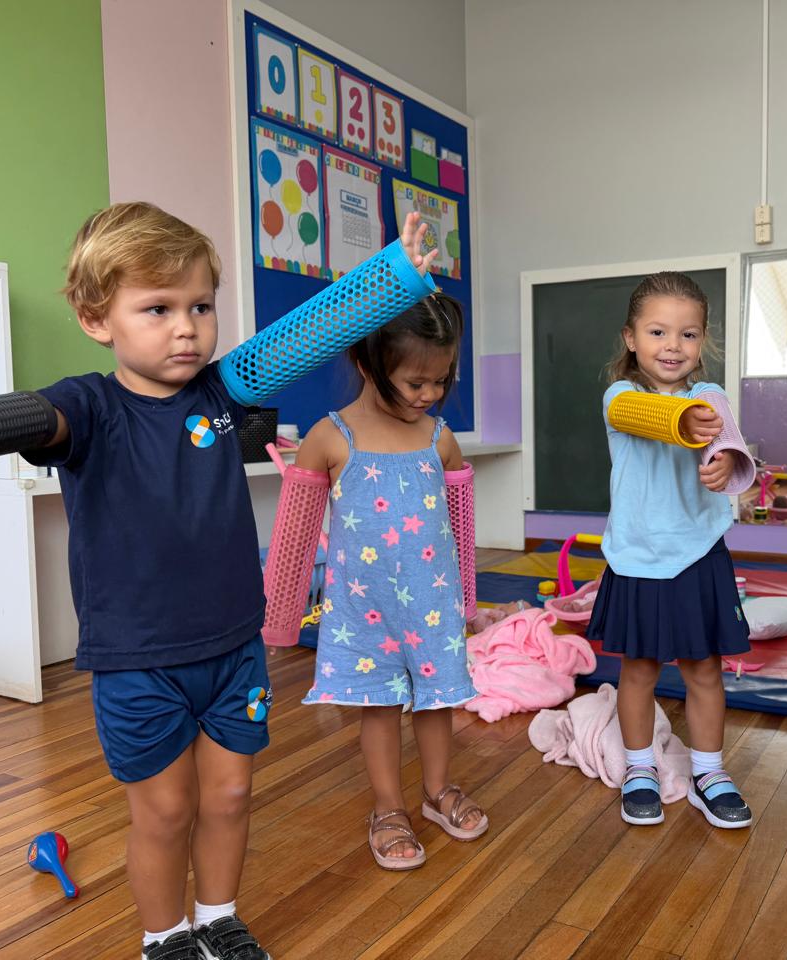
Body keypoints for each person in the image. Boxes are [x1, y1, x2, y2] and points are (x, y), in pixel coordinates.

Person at [25, 202, 436, 958]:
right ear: (95, 319)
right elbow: (41, 420)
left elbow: (311, 332)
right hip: (139, 660)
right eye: (158, 308)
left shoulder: (221, 396)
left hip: (233, 648)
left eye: (201, 306)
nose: (186, 327)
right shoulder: (89, 406)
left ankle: (217, 918)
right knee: (164, 812)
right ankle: (165, 937)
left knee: (232, 795)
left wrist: (396, 274)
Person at [294, 292, 487, 870]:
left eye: (440, 381)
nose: (428, 394)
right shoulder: (330, 437)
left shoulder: (438, 438)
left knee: (437, 701)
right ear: (367, 362)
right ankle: (387, 808)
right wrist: (280, 615)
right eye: (414, 382)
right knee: (377, 707)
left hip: (431, 603)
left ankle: (437, 790)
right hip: (363, 609)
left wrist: (467, 599)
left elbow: (461, 522)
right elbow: (296, 531)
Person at [587, 271, 756, 830]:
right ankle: (639, 767)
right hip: (636, 557)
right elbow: (646, 419)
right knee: (637, 670)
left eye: (688, 334)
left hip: (699, 554)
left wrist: (726, 461)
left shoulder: (710, 397)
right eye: (657, 332)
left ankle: (709, 772)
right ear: (631, 338)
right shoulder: (620, 396)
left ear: (702, 341)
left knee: (704, 670)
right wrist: (688, 422)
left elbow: (729, 447)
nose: (673, 346)